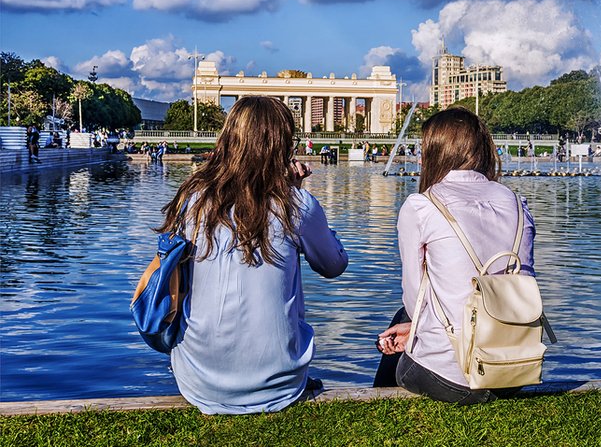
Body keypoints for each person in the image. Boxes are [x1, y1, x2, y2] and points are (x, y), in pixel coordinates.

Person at [157, 96, 348, 414]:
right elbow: (334, 265)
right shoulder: (295, 204)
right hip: (279, 382)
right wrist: (298, 194)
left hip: (198, 379)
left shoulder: (193, 200)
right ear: (282, 144)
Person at [373, 106, 536, 404]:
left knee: (404, 318)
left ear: (435, 152)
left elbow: (414, 299)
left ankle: (377, 401)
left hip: (453, 377)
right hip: (513, 370)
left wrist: (416, 328)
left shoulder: (422, 206)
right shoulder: (518, 203)